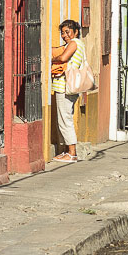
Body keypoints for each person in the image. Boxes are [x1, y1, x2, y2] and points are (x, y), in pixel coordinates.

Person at [50, 19, 86, 162]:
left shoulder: (74, 43)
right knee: (65, 118)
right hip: (68, 86)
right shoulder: (74, 44)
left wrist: (53, 60)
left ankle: (72, 153)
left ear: (76, 32)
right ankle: (67, 151)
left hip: (65, 86)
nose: (65, 35)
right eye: (62, 32)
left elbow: (64, 58)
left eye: (67, 32)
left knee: (65, 120)